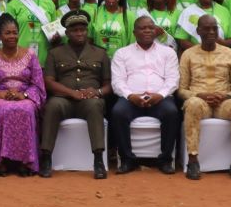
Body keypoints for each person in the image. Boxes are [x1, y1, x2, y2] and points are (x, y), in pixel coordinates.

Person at [38, 10, 114, 178]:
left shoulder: (100, 53)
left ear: (87, 31)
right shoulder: (55, 53)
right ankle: (46, 157)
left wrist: (98, 91)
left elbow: (109, 85)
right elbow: (48, 81)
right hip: (63, 99)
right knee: (52, 106)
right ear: (67, 33)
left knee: (95, 105)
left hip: (89, 100)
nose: (79, 33)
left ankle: (98, 160)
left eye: (82, 30)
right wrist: (72, 93)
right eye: (74, 30)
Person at [109, 15, 183, 175]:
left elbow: (173, 79)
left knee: (172, 112)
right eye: (143, 28)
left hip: (160, 99)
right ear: (135, 32)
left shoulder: (168, 53)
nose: (148, 31)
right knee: (117, 112)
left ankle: (165, 160)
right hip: (131, 99)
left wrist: (160, 95)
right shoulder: (122, 53)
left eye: (151, 27)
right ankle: (128, 160)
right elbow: (118, 82)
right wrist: (130, 96)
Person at [178, 13, 231, 181]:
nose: (211, 32)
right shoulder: (188, 54)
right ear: (198, 31)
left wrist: (226, 95)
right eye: (207, 29)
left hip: (223, 103)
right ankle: (193, 161)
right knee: (192, 103)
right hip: (201, 102)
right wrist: (199, 94)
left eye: (214, 28)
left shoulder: (230, 54)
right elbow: (181, 90)